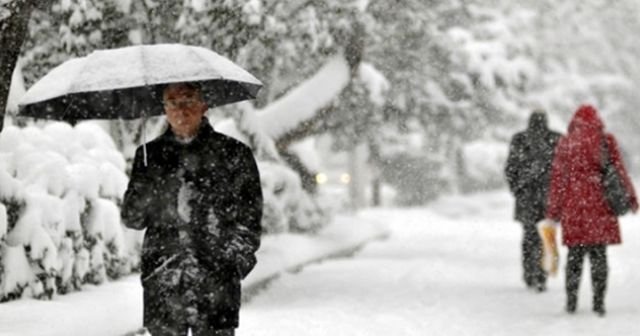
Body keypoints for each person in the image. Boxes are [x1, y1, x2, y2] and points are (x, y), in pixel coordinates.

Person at [121, 82, 263, 335]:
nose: (180, 110)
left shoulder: (233, 155)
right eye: (172, 103)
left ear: (204, 104)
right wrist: (146, 185)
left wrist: (232, 263)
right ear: (164, 108)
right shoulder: (149, 156)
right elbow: (133, 218)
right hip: (163, 281)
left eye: (188, 100)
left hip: (217, 284)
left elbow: (249, 217)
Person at [546, 105, 637, 316]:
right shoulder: (606, 141)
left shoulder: (566, 143)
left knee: (574, 256)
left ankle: (571, 302)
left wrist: (553, 211)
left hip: (574, 206)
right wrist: (631, 197)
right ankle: (598, 303)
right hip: (600, 205)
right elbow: (619, 170)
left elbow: (558, 180)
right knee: (599, 255)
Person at [505, 110, 561, 292]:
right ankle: (541, 274)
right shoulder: (557, 139)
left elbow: (510, 168)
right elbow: (566, 170)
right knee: (545, 237)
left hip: (527, 197)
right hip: (549, 198)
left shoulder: (519, 139)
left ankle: (529, 272)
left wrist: (517, 189)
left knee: (529, 236)